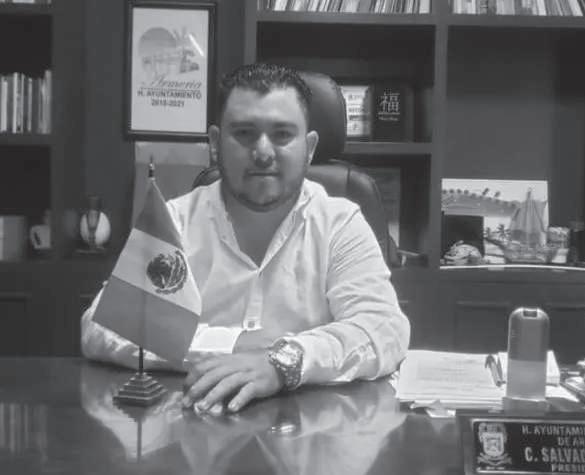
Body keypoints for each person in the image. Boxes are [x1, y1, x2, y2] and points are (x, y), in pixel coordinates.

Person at [81, 63, 410, 413]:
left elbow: (383, 329)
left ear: (310, 147)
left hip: (313, 429)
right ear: (214, 143)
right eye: (244, 133)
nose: (263, 152)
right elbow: (103, 325)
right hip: (192, 426)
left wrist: (283, 361)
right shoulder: (175, 221)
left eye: (282, 134)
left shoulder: (340, 223)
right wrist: (232, 345)